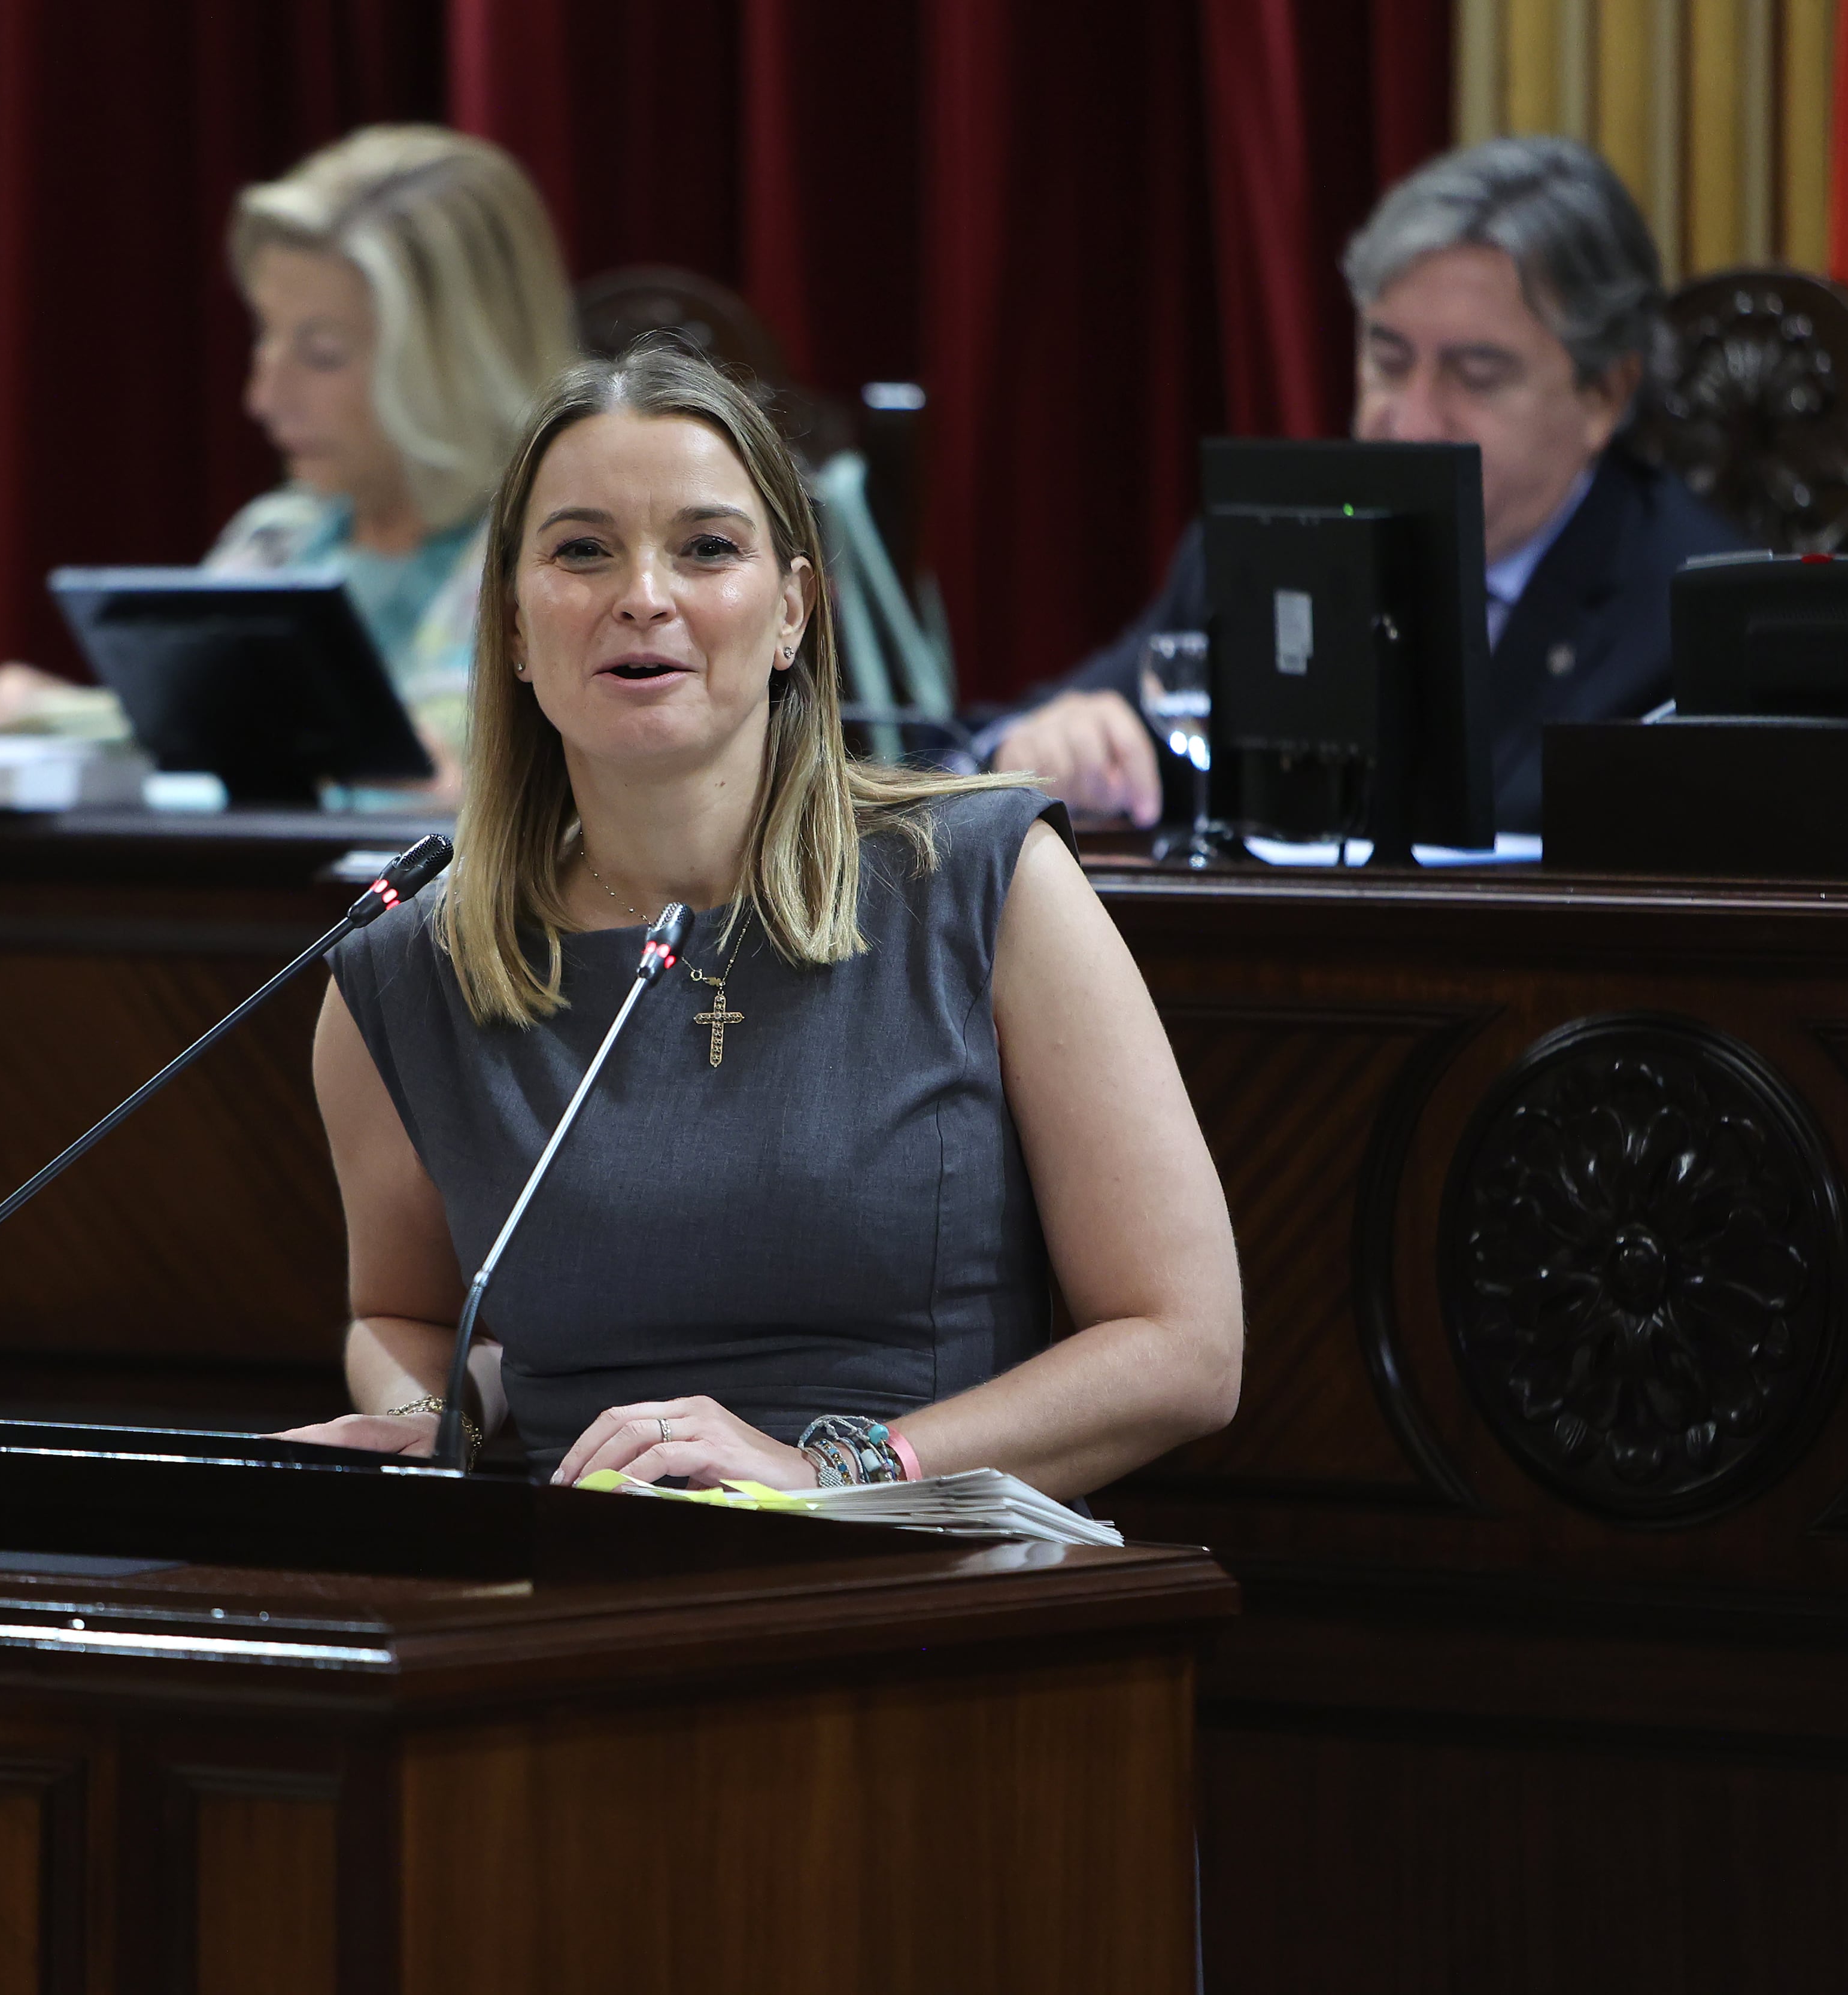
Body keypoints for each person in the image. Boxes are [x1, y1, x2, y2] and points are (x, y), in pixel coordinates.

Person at [280, 339, 1240, 1494]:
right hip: (566, 1597)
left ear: (791, 611)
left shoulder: (988, 879)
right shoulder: (403, 967)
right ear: (516, 627)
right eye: (582, 551)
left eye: (706, 548)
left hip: (921, 1577)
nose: (643, 596)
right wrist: (431, 1419)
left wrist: (833, 1469)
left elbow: (1184, 1349)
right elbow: (402, 1313)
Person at [987, 135, 1750, 836]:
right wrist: (1039, 748)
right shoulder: (1265, 541)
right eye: (1386, 362)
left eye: (1475, 375)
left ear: (1604, 396)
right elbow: (1043, 732)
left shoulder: (1696, 617)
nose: (1409, 420)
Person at [0, 126, 575, 791]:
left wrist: (67, 717)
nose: (261, 398)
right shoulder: (277, 540)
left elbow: (446, 764)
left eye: (321, 354)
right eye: (266, 335)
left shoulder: (558, 552)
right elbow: (198, 731)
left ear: (461, 361)